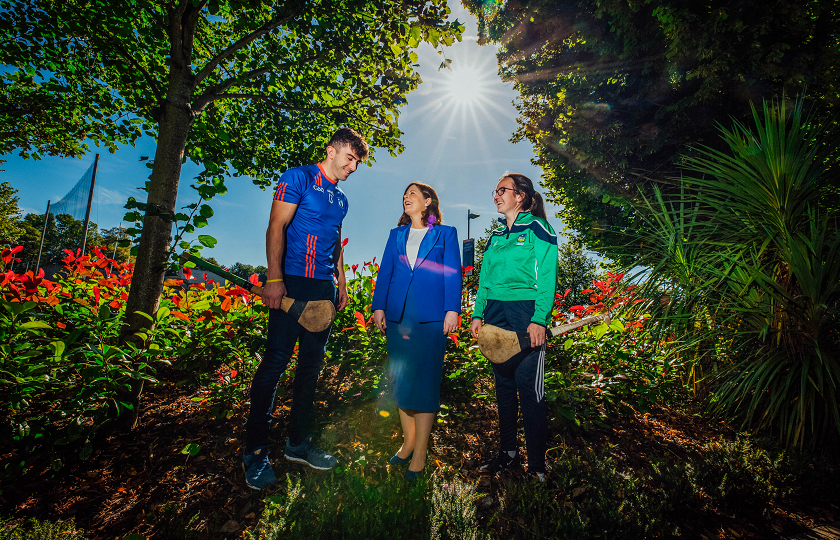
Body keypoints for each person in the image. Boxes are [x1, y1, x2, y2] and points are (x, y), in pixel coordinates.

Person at [242, 128, 368, 490]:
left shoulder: (342, 199)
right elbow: (276, 226)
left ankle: (298, 443)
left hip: (323, 290)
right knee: (274, 365)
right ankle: (255, 451)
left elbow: (335, 244)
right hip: (292, 282)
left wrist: (341, 282)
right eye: (350, 158)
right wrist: (274, 278)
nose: (353, 167)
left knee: (310, 368)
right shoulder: (297, 177)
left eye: (358, 162)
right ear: (331, 151)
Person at [469, 173, 558, 481]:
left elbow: (547, 275)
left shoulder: (538, 228)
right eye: (495, 190)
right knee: (504, 390)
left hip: (525, 313)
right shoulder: (495, 237)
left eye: (502, 190)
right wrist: (478, 314)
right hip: (494, 314)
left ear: (520, 196)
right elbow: (484, 280)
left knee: (530, 393)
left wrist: (539, 318)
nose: (496, 195)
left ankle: (536, 468)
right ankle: (507, 454)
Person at [372, 182, 462, 481]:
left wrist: (452, 309)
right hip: (398, 318)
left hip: (431, 318)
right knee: (401, 380)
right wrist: (379, 306)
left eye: (413, 193)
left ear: (428, 202)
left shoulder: (445, 233)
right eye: (404, 194)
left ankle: (420, 451)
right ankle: (408, 442)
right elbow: (386, 271)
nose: (406, 197)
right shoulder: (395, 235)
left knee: (424, 383)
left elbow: (451, 272)